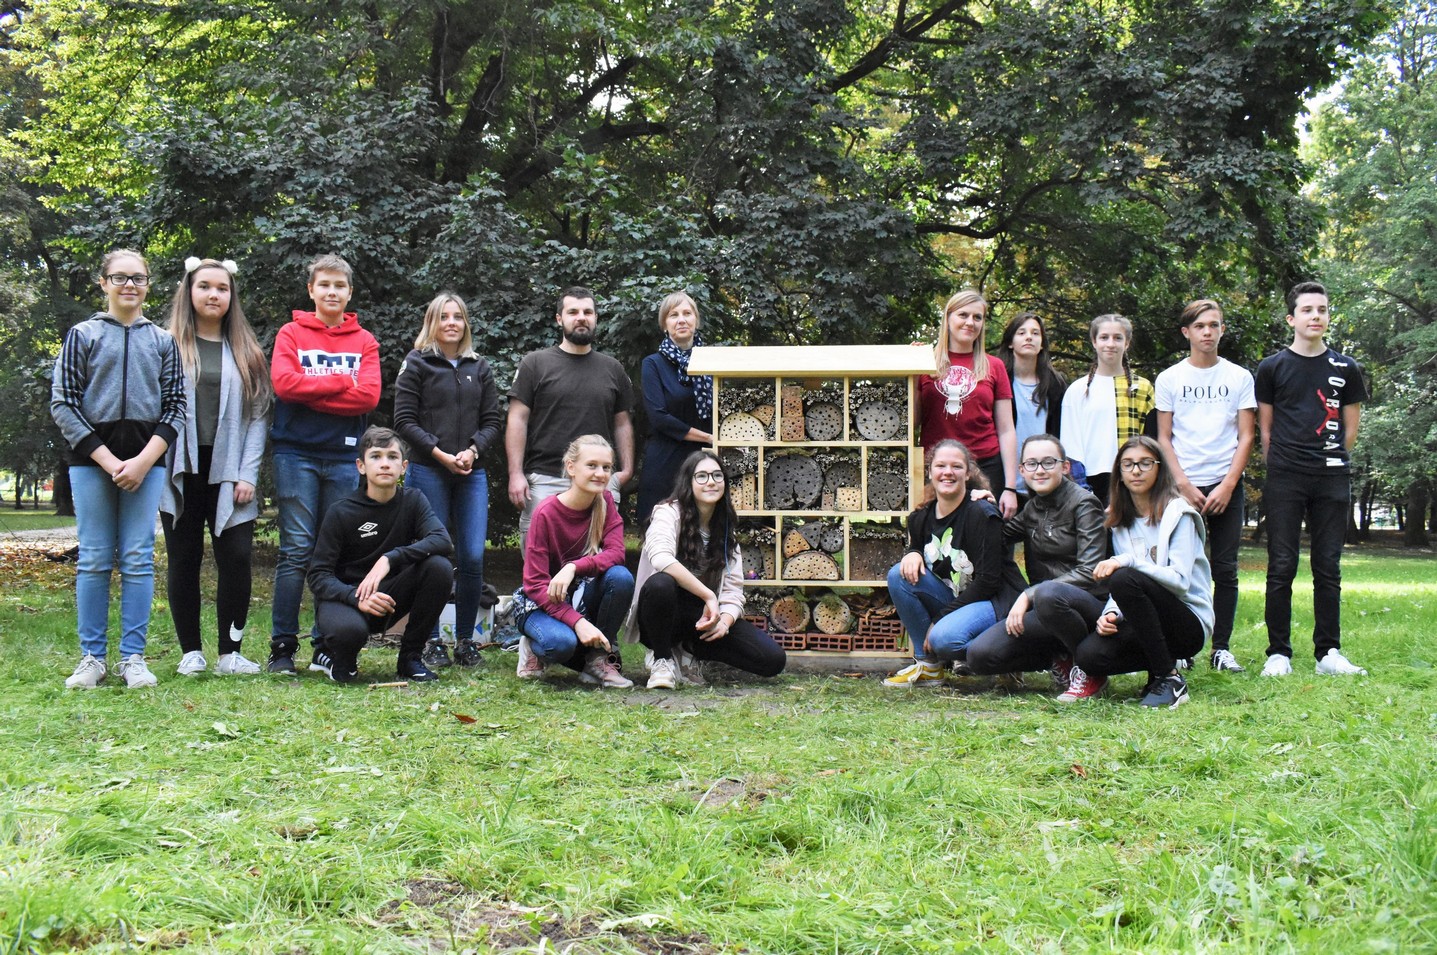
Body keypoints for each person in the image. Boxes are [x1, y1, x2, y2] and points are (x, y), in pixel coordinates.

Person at [51, 249, 185, 689]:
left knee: (137, 559)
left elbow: (176, 407)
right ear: (103, 282)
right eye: (120, 277)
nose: (130, 285)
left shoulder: (163, 342)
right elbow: (64, 403)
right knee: (93, 559)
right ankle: (92, 658)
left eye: (139, 278)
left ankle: (133, 658)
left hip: (147, 464)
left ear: (149, 284)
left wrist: (144, 460)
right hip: (92, 464)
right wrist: (108, 461)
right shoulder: (83, 335)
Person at [267, 254, 381, 676]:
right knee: (296, 551)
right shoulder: (290, 333)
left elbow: (368, 397)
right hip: (295, 453)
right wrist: (341, 382)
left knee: (330, 555)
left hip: (343, 457)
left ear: (349, 293)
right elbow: (285, 384)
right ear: (311, 290)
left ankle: (325, 646)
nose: (332, 292)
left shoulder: (364, 341)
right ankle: (282, 647)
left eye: (340, 286)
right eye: (324, 285)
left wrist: (312, 387)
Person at [161, 257, 271, 677]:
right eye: (204, 286)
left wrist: (247, 473)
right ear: (189, 292)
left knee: (237, 557)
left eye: (222, 288)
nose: (213, 294)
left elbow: (259, 416)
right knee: (183, 558)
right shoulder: (167, 344)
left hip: (230, 469)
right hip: (180, 467)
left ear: (231, 296)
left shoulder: (247, 351)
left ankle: (230, 652)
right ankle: (191, 651)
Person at [1254, 281, 1368, 677]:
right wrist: (1284, 464)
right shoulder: (1272, 367)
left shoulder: (1345, 368)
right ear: (1292, 318)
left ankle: (1328, 654)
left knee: (1328, 566)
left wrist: (1330, 460)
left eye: (1322, 309)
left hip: (1332, 479)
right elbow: (1265, 430)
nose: (1315, 316)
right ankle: (1278, 653)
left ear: (1328, 316)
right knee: (1281, 565)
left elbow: (1350, 428)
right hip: (1285, 478)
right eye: (1307, 310)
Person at [393, 292, 503, 669]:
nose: (452, 323)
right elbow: (404, 421)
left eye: (458, 316)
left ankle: (466, 642)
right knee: (434, 556)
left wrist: (473, 451)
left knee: (472, 555)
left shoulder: (479, 366)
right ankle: (432, 640)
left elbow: (493, 421)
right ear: (433, 323)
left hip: (471, 472)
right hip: (428, 470)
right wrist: (439, 453)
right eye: (444, 317)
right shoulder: (417, 363)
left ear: (465, 323)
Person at [1062, 437, 1212, 707]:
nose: (1136, 471)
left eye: (1145, 463)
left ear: (1159, 469)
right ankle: (1159, 668)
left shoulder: (1179, 514)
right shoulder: (1121, 521)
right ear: (1119, 472)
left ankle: (1169, 678)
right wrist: (1111, 613)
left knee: (1123, 576)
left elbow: (1179, 582)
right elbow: (1126, 587)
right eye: (1128, 464)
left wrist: (1128, 561)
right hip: (1147, 616)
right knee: (1089, 656)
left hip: (1188, 621)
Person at [306, 427, 454, 684]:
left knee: (439, 567)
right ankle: (328, 653)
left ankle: (410, 659)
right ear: (361, 466)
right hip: (345, 599)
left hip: (388, 597)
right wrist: (354, 597)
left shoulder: (414, 500)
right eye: (376, 456)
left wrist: (391, 558)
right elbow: (318, 576)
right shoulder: (341, 512)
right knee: (348, 646)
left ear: (404, 466)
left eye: (392, 457)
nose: (385, 464)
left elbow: (442, 540)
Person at [1154, 299, 1255, 672]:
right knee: (1179, 569)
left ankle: (1221, 647)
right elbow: (1163, 438)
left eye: (1214, 325)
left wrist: (1228, 485)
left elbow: (1246, 437)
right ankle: (1183, 646)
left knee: (1225, 568)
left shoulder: (1239, 377)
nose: (1207, 332)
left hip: (1225, 484)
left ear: (1222, 330)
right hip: (1180, 487)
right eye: (1200, 326)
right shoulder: (1170, 379)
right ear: (1187, 333)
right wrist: (1181, 484)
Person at [629, 450, 786, 689]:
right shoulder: (668, 513)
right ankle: (661, 659)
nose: (711, 481)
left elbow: (734, 590)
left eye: (716, 475)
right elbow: (660, 557)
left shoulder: (725, 528)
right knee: (661, 583)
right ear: (688, 482)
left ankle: (689, 651)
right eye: (701, 476)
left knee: (772, 660)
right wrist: (708, 595)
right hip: (661, 611)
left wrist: (725, 620)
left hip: (702, 617)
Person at [964, 435, 1108, 692]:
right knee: (980, 655)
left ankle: (1090, 670)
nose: (1039, 470)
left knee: (1049, 595)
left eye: (1048, 462)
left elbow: (1090, 571)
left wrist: (1030, 594)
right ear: (1022, 470)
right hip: (1045, 608)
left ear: (1064, 467)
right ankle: (1059, 657)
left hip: (1084, 606)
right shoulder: (1033, 507)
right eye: (1031, 464)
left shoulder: (1084, 503)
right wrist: (985, 509)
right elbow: (998, 537)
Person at [882, 439, 1026, 687]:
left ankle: (1009, 656)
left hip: (996, 600)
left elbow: (989, 581)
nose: (948, 472)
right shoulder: (920, 517)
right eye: (940, 466)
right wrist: (912, 552)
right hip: (960, 597)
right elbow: (917, 545)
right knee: (899, 575)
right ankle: (927, 666)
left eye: (956, 466)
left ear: (968, 472)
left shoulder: (982, 514)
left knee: (945, 638)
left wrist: (940, 619)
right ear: (930, 472)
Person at [506, 287, 635, 548]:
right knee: (538, 565)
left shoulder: (613, 369)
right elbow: (517, 420)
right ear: (559, 318)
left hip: (599, 481)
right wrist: (515, 473)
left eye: (588, 312)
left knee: (601, 563)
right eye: (573, 312)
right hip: (545, 478)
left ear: (596, 318)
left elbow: (622, 423)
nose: (581, 317)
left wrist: (626, 471)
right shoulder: (535, 363)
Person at [513, 434, 635, 688]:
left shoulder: (606, 503)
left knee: (620, 577)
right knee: (561, 645)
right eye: (591, 465)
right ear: (571, 467)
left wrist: (573, 566)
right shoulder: (545, 512)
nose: (600, 474)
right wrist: (578, 623)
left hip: (579, 595)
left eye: (606, 467)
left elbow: (616, 554)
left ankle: (600, 657)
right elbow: (535, 585)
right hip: (541, 603)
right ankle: (534, 647)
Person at [916, 290, 1019, 517]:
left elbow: (1006, 429)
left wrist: (1011, 487)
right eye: (963, 315)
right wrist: (912, 371)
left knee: (988, 536)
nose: (970, 322)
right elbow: (912, 422)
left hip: (985, 463)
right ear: (948, 318)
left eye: (977, 317)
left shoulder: (994, 366)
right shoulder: (925, 364)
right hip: (937, 467)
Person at [1060, 314, 1155, 508]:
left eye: (1117, 338)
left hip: (1132, 476)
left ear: (1127, 343)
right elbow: (1070, 441)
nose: (1110, 344)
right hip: (1091, 479)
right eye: (1104, 337)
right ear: (1094, 342)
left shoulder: (1142, 387)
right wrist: (1081, 486)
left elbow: (1151, 439)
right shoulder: (1078, 390)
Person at [637, 292, 715, 525]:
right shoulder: (653, 364)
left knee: (703, 528)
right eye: (673, 315)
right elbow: (658, 417)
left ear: (696, 321)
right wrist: (709, 438)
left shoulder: (713, 362)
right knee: (662, 529)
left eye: (687, 314)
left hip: (704, 460)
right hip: (666, 460)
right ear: (665, 325)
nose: (681, 320)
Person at [993, 312, 1065, 506]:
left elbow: (1059, 433)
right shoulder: (998, 379)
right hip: (1005, 479)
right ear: (1010, 342)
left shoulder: (1055, 383)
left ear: (1041, 343)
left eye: (1035, 333)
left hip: (1044, 478)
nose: (1029, 337)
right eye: (1021, 332)